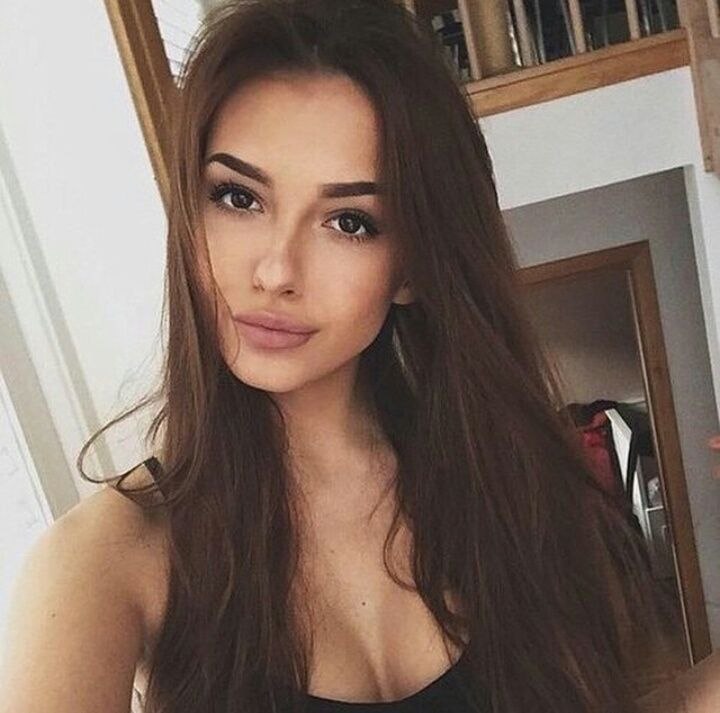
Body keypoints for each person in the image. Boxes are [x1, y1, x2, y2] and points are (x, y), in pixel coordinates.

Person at [0, 1, 718, 711]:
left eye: (349, 221)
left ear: (410, 268)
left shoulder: (504, 487)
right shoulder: (109, 562)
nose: (276, 270)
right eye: (238, 197)